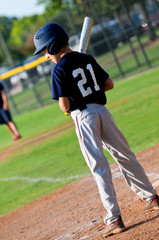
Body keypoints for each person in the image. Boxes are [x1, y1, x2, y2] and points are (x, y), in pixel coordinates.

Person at [33, 23, 159, 237]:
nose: (45, 56)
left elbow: (64, 106)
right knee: (126, 156)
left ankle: (114, 218)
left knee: (99, 167)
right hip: (103, 112)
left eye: (45, 51)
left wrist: (72, 103)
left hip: (84, 118)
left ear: (53, 46)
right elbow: (109, 84)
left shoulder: (58, 69)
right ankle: (151, 197)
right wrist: (88, 91)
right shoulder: (87, 58)